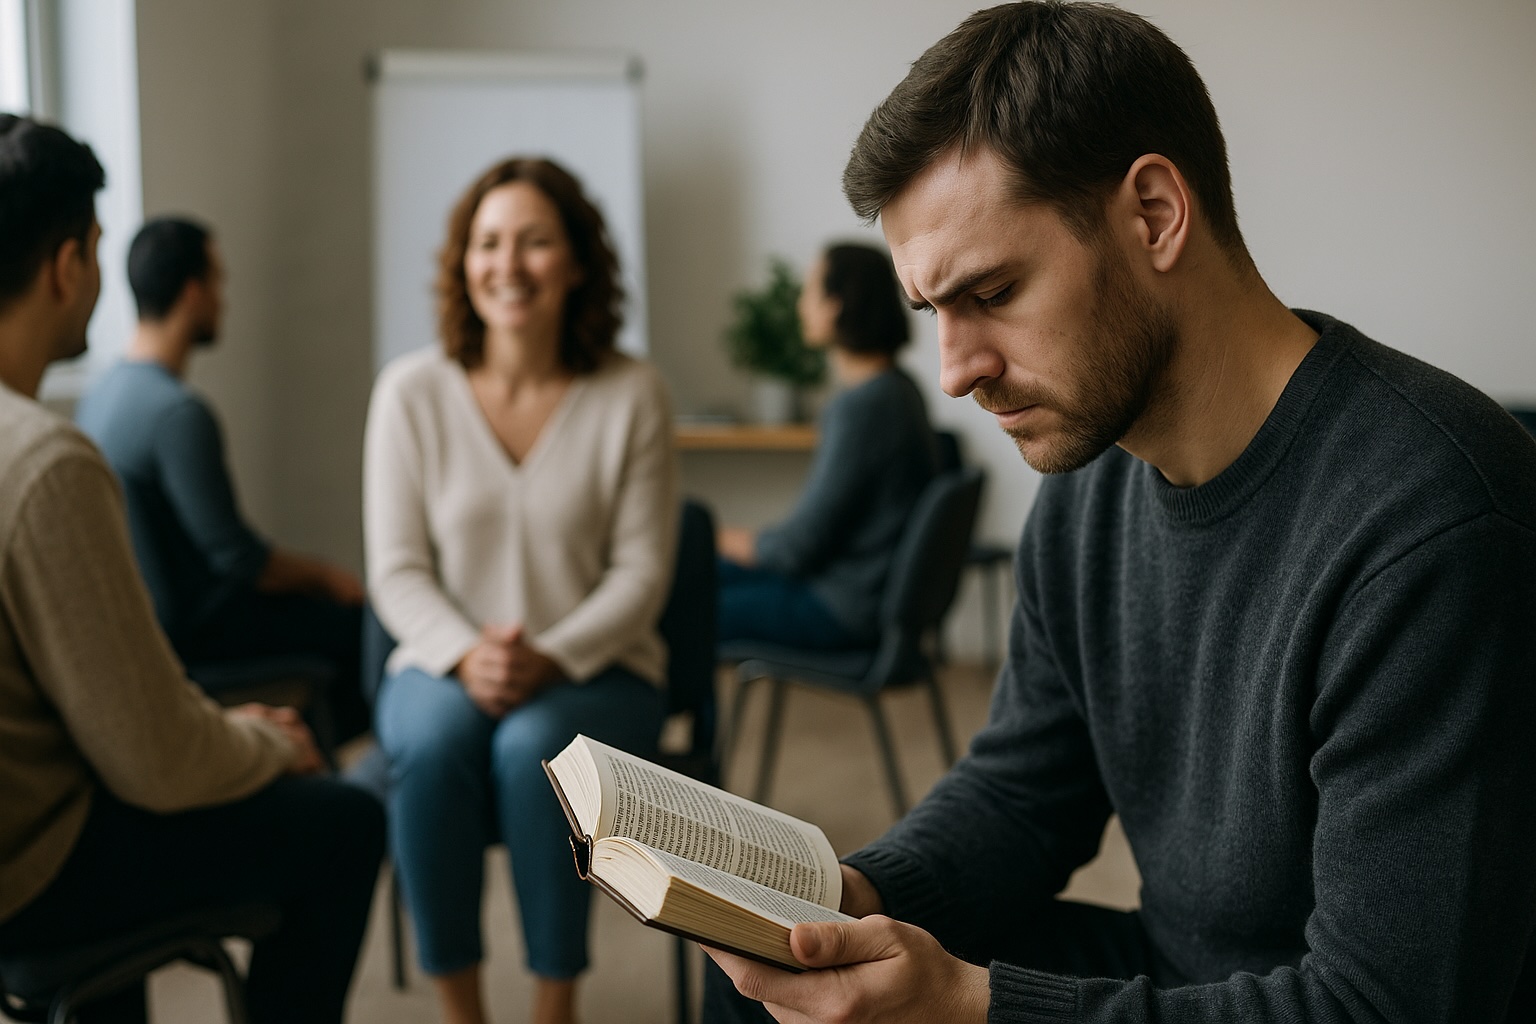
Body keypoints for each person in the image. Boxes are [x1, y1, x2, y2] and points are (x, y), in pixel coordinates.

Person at [704, 3, 1536, 1023]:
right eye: (934, 313)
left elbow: (1387, 1005)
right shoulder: (1089, 486)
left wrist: (974, 1006)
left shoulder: (1434, 523)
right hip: (1190, 971)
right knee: (775, 985)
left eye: (994, 290)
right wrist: (853, 897)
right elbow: (1023, 790)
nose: (955, 371)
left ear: (1153, 214)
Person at [0, 114, 383, 1024]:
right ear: (69, 265)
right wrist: (261, 741)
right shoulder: (45, 459)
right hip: (34, 871)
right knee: (346, 822)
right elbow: (152, 763)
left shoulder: (87, 416)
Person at [364, 156, 678, 1024]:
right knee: (427, 746)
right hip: (443, 664)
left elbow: (642, 574)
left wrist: (549, 656)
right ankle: (461, 1010)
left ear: (578, 262)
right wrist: (469, 654)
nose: (509, 263)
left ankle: (553, 1006)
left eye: (536, 242)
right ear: (462, 263)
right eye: (489, 242)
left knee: (534, 753)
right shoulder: (409, 393)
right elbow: (396, 568)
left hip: (600, 669)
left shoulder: (632, 393)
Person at [74, 216, 369, 744]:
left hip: (142, 626)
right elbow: (239, 560)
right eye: (218, 282)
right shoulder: (177, 413)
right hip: (195, 634)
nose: (223, 300)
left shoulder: (100, 396)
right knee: (358, 624)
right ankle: (339, 774)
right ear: (192, 293)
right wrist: (328, 578)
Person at [716, 242, 938, 650]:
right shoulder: (902, 391)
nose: (801, 305)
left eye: (809, 292)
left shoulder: (862, 408)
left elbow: (796, 549)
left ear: (836, 305)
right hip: (867, 596)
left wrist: (714, 536)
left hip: (842, 607)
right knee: (702, 575)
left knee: (691, 601)